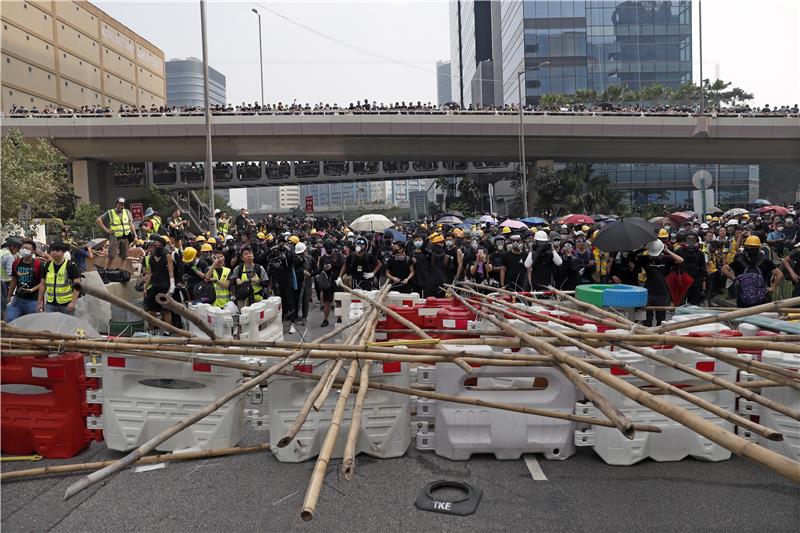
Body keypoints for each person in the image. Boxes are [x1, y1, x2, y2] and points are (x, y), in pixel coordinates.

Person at [721, 236, 783, 307]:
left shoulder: (739, 261)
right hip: (762, 300)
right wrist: (773, 287)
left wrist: (735, 279)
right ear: (759, 247)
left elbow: (724, 269)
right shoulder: (765, 261)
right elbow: (779, 274)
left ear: (745, 247)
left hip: (743, 299)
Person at [636, 239, 684, 326]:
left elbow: (681, 260)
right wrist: (644, 248)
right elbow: (631, 256)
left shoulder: (667, 259)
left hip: (663, 292)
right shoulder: (645, 259)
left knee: (661, 320)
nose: (654, 256)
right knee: (647, 319)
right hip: (648, 292)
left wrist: (668, 251)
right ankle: (647, 336)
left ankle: (659, 337)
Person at [5, 240, 46, 322]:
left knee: (32, 323)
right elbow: (14, 280)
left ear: (33, 251)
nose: (24, 250)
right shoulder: (16, 262)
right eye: (22, 248)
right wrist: (9, 296)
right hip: (17, 299)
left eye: (27, 248)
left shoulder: (39, 264)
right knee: (9, 320)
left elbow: (43, 283)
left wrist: (34, 293)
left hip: (33, 301)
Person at [38, 241, 82, 314]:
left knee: (66, 324)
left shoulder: (71, 266)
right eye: (52, 250)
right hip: (50, 304)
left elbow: (77, 286)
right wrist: (39, 302)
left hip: (66, 304)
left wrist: (73, 302)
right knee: (51, 325)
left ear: (63, 252)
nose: (54, 252)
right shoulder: (47, 265)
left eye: (57, 250)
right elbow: (42, 284)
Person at [142, 236, 175, 330]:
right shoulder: (151, 258)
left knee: (166, 310)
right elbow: (150, 273)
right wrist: (145, 287)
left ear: (163, 247)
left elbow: (171, 271)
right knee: (151, 311)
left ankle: (167, 331)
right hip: (155, 285)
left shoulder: (167, 256)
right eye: (155, 245)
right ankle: (151, 330)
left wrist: (172, 285)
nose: (157, 247)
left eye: (159, 246)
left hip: (165, 286)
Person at [96, 197, 137, 269]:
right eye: (119, 204)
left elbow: (131, 223)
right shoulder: (110, 212)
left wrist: (135, 235)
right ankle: (106, 271)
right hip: (115, 237)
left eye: (122, 205)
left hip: (126, 237)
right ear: (116, 204)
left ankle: (121, 271)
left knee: (124, 256)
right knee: (111, 256)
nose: (120, 206)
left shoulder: (127, 212)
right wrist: (106, 230)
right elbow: (98, 220)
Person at [317, 241, 344, 326]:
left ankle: (339, 318)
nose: (329, 250)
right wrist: (324, 269)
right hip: (327, 282)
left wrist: (332, 266)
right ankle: (325, 319)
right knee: (327, 302)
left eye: (330, 248)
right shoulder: (323, 258)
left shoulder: (338, 255)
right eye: (327, 248)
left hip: (337, 281)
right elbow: (320, 269)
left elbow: (343, 264)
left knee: (339, 300)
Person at [1, 237, 22, 318]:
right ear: (12, 247)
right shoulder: (9, 256)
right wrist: (19, 274)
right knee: (3, 305)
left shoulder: (1, 252)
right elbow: (10, 273)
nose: (18, 251)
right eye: (17, 248)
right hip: (4, 283)